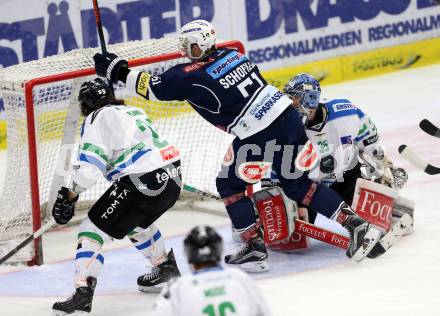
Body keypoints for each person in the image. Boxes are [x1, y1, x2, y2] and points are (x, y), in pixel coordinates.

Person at [93, 19, 382, 272]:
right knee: (297, 185)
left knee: (229, 185)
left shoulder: (190, 75)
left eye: (191, 47)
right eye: (185, 47)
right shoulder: (234, 55)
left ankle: (253, 243)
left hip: (259, 133)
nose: (186, 52)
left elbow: (154, 89)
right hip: (288, 120)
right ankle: (357, 225)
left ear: (204, 43)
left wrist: (116, 71)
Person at [52, 78, 182, 315]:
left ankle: (82, 292)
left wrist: (69, 197)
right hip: (173, 174)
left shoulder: (96, 118)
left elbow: (89, 168)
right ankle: (165, 268)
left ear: (85, 106)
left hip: (142, 180)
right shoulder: (132, 110)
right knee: (134, 220)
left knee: (91, 229)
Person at [262, 73, 411, 257]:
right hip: (307, 187)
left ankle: (390, 206)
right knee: (289, 240)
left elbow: (370, 142)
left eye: (294, 97)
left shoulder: (345, 112)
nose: (290, 102)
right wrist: (273, 194)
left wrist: (385, 168)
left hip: (345, 177)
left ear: (309, 98)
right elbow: (276, 161)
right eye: (289, 97)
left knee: (373, 221)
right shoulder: (284, 124)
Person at [152, 225, 272, 316]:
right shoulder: (239, 278)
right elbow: (263, 312)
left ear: (188, 254)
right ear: (219, 250)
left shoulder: (177, 287)